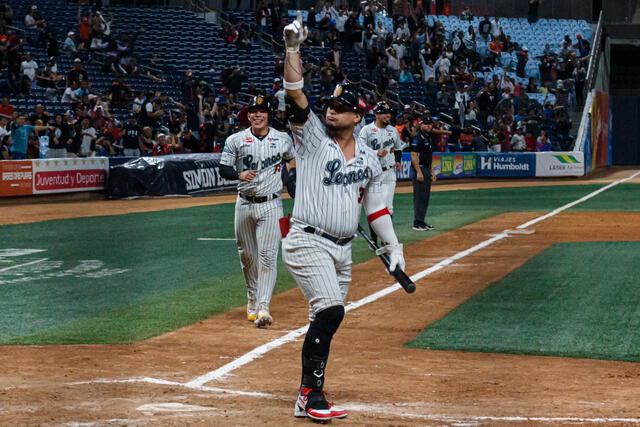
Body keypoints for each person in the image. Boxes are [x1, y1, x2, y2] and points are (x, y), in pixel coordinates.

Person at [282, 15, 405, 421]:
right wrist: (292, 49)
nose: (332, 111)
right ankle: (311, 395)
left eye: (341, 108)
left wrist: (393, 246)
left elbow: (375, 208)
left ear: (358, 117)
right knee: (331, 311)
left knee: (326, 319)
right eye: (331, 106)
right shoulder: (313, 138)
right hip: (307, 240)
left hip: (343, 251)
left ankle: (307, 394)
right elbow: (296, 95)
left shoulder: (369, 157)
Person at [218, 95, 294, 328]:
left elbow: (292, 161)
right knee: (247, 257)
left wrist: (292, 181)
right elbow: (224, 168)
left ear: (269, 114)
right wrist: (238, 175)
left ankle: (263, 307)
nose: (257, 115)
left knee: (268, 256)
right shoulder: (236, 140)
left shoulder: (283, 139)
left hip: (271, 203)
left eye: (261, 111)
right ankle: (252, 298)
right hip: (244, 203)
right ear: (248, 114)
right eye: (253, 111)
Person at [357, 101, 404, 246]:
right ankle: (373, 239)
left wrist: (398, 161)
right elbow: (359, 149)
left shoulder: (393, 130)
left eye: (389, 113)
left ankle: (386, 240)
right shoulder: (366, 130)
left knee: (388, 207)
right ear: (377, 114)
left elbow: (397, 148)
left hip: (389, 173)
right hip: (372, 173)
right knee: (374, 207)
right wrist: (375, 152)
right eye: (385, 112)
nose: (388, 115)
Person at [411, 118, 450, 231]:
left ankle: (422, 221)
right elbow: (414, 156)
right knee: (419, 197)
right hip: (420, 169)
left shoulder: (428, 137)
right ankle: (417, 223)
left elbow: (429, 157)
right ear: (421, 125)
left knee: (425, 197)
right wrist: (418, 171)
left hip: (426, 169)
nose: (429, 127)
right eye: (426, 124)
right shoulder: (418, 137)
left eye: (430, 125)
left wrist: (432, 171)